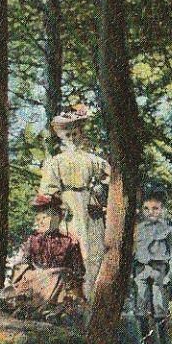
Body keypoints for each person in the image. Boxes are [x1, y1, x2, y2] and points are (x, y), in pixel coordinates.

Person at [38, 103, 111, 297]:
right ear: (62, 137)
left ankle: (92, 295)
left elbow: (111, 178)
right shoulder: (56, 161)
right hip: (67, 206)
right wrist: (57, 208)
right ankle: (69, 297)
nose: (72, 138)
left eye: (75, 134)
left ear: (81, 133)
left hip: (89, 205)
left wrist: (100, 192)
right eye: (68, 135)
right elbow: (47, 191)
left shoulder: (93, 159)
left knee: (93, 250)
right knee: (70, 250)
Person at [0, 194, 86, 323]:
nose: (40, 221)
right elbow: (21, 266)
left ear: (58, 218)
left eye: (45, 217)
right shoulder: (32, 239)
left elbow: (79, 272)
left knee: (62, 276)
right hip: (37, 283)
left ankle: (53, 312)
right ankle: (45, 311)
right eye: (39, 218)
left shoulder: (69, 241)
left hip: (60, 286)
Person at [131, 188, 172, 344]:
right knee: (141, 311)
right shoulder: (138, 229)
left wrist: (170, 275)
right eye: (147, 208)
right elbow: (132, 253)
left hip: (160, 272)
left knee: (160, 310)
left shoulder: (168, 231)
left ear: (163, 209)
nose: (151, 212)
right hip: (141, 272)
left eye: (155, 208)